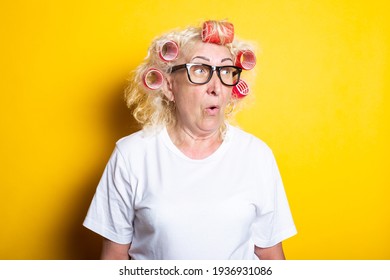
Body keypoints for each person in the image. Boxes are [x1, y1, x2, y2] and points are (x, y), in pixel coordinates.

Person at [83, 20, 297, 260]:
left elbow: (270, 254)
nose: (216, 87)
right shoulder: (131, 154)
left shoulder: (256, 155)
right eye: (200, 70)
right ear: (168, 86)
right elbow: (114, 257)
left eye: (226, 71)